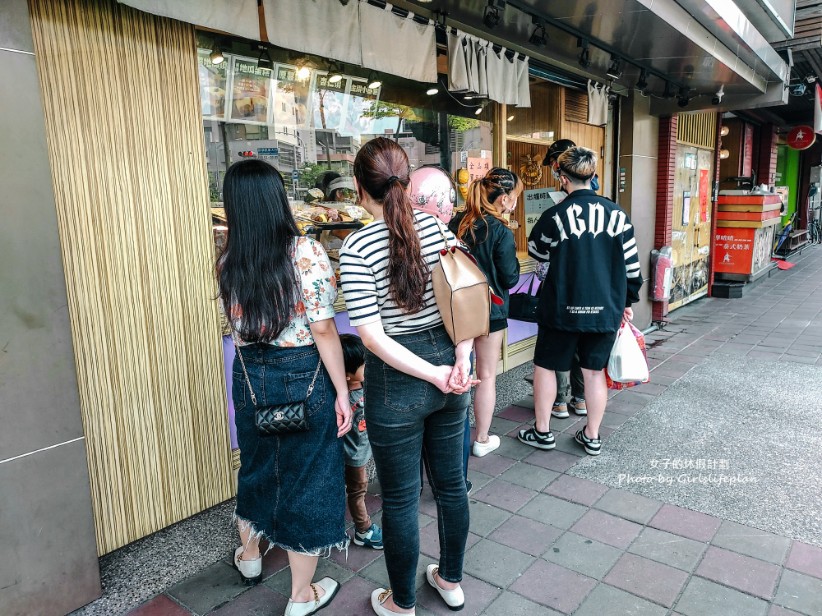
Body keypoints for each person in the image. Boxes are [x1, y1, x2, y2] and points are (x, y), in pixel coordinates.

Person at [339, 137, 476, 616]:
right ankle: (451, 581)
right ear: (407, 178)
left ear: (360, 187)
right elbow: (464, 303)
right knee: (452, 486)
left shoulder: (356, 246)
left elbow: (373, 339)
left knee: (399, 499)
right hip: (447, 365)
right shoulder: (438, 231)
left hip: (398, 379)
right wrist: (460, 361)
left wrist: (438, 372)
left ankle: (401, 604)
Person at [218, 159, 352, 616]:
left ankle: (251, 558)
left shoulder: (229, 260)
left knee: (256, 465)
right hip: (304, 372)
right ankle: (300, 595)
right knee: (309, 477)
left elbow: (238, 331)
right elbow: (324, 330)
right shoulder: (305, 252)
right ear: (277, 199)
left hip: (250, 374)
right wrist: (343, 392)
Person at [520, 146, 642, 456]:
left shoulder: (555, 215)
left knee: (546, 367)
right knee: (593, 373)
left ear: (562, 177)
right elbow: (632, 268)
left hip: (561, 308)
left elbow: (537, 251)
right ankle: (592, 436)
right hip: (605, 310)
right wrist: (627, 300)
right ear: (592, 175)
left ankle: (543, 431)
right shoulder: (618, 215)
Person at [449, 168, 522, 458]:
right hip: (491, 312)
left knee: (458, 372)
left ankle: (451, 439)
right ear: (503, 199)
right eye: (515, 197)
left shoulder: (455, 223)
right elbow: (510, 278)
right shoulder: (500, 231)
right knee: (486, 375)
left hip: (456, 310)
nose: (516, 202)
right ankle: (481, 438)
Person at [408, 165, 472, 493]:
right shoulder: (451, 242)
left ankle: (415, 485)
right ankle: (454, 481)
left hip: (404, 354)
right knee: (453, 423)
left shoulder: (388, 237)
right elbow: (468, 308)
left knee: (411, 427)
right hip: (449, 346)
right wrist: (464, 356)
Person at [541, 138, 592, 420]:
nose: (552, 171)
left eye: (553, 164)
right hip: (588, 287)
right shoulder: (598, 200)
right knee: (580, 346)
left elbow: (539, 247)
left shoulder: (566, 200)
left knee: (562, 345)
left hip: (563, 284)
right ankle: (579, 399)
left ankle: (560, 401)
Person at [339, 333, 384, 550]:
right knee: (357, 492)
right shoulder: (343, 401)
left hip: (361, 452)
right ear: (347, 375)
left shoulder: (364, 386)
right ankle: (363, 530)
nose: (369, 366)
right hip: (353, 457)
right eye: (364, 364)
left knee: (356, 490)